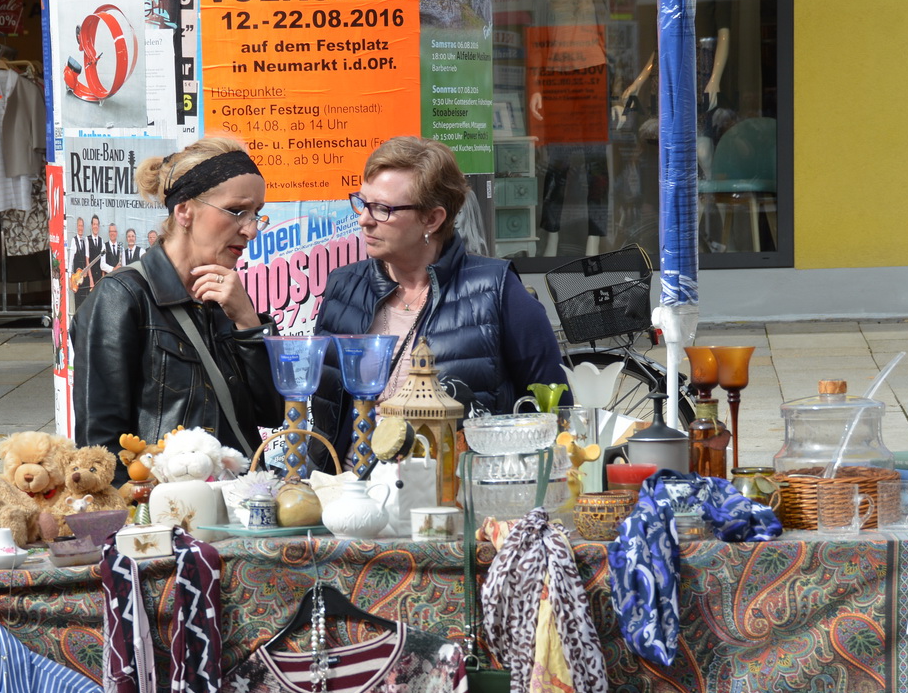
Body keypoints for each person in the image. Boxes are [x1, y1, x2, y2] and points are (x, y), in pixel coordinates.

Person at [316, 136, 566, 448]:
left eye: (381, 209)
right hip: (351, 487)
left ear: (432, 219)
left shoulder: (497, 289)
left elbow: (554, 408)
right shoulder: (343, 287)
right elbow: (324, 413)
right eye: (362, 202)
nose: (364, 219)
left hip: (452, 486)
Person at [72, 138, 283, 464]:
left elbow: (271, 412)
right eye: (238, 211)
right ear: (184, 210)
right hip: (163, 505)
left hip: (236, 499)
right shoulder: (122, 297)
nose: (251, 230)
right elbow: (98, 445)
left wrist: (248, 322)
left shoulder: (226, 298)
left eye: (257, 214)